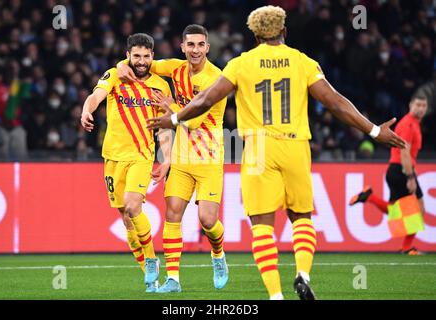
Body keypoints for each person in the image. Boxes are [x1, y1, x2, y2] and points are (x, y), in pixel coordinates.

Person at [147, 6, 406, 300]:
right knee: (302, 217)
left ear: (255, 35)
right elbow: (335, 102)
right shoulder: (302, 62)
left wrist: (173, 118)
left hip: (258, 148)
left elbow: (206, 100)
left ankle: (275, 296)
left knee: (261, 224)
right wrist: (373, 131)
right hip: (295, 145)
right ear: (284, 31)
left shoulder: (240, 64)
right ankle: (303, 274)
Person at [117, 24, 229, 293]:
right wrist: (122, 65)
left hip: (209, 157)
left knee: (208, 220)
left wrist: (170, 106)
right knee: (172, 214)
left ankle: (218, 255)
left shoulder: (216, 78)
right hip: (181, 157)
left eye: (200, 45)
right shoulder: (174, 68)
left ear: (207, 48)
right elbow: (142, 62)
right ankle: (173, 280)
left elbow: (195, 120)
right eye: (190, 45)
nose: (195, 50)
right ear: (182, 47)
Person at [81, 33, 172, 292]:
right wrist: (86, 110)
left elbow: (164, 127)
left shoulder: (160, 86)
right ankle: (151, 278)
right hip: (112, 157)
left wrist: (166, 158)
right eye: (137, 56)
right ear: (128, 55)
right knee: (127, 219)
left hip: (142, 155)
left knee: (134, 205)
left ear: (152, 57)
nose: (141, 61)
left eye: (146, 56)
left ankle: (152, 259)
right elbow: (96, 95)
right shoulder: (114, 75)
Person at [350, 94, 428, 255]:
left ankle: (369, 197)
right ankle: (407, 247)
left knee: (395, 210)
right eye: (418, 105)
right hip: (402, 170)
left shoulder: (413, 124)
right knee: (418, 209)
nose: (421, 108)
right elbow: (404, 152)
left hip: (395, 169)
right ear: (410, 105)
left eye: (424, 106)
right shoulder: (408, 124)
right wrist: (410, 177)